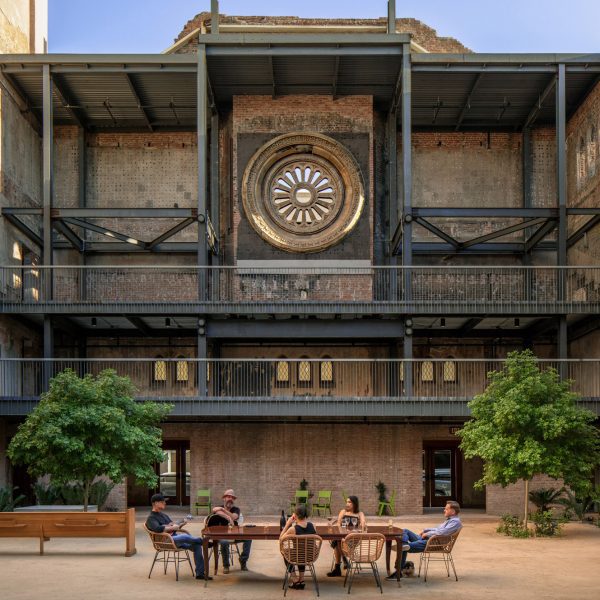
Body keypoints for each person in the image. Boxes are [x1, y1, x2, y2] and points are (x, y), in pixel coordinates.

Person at [386, 500, 462, 580]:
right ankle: (404, 545)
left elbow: (441, 532)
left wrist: (427, 534)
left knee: (401, 548)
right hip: (430, 540)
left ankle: (398, 572)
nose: (444, 510)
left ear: (453, 511)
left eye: (446, 509)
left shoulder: (455, 522)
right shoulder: (450, 520)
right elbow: (437, 529)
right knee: (405, 531)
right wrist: (426, 530)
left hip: (433, 543)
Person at [145, 492, 211, 580]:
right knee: (184, 536)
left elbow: (172, 526)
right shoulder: (151, 518)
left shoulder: (163, 515)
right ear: (155, 503)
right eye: (162, 501)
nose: (165, 503)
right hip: (164, 542)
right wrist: (171, 527)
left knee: (196, 546)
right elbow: (157, 528)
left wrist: (181, 524)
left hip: (174, 539)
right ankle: (203, 541)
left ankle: (200, 574)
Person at [212, 488, 252, 573]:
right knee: (224, 542)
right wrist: (227, 516)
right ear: (224, 498)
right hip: (222, 536)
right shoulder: (220, 508)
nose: (230, 499)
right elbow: (214, 510)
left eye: (232, 498)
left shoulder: (236, 509)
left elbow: (234, 517)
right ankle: (226, 565)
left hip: (234, 534)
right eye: (228, 497)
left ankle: (243, 560)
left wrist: (224, 511)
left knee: (249, 538)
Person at [326, 495, 366, 577]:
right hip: (342, 537)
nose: (347, 504)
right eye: (346, 502)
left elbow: (363, 523)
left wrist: (362, 523)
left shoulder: (359, 513)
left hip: (353, 539)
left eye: (349, 502)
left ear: (355, 504)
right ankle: (344, 562)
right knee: (338, 541)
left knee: (337, 542)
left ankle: (338, 568)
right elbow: (338, 524)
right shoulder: (343, 512)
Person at [280, 503, 317, 590]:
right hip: (310, 556)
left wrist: (288, 523)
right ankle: (302, 580)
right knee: (302, 551)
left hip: (298, 556)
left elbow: (281, 538)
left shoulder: (293, 529)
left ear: (295, 515)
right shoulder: (313, 526)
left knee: (285, 552)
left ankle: (295, 580)